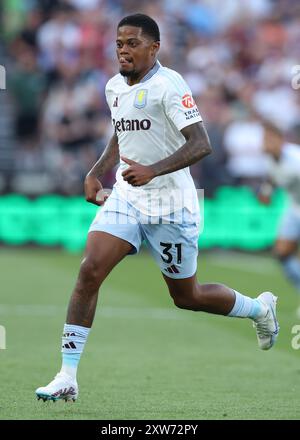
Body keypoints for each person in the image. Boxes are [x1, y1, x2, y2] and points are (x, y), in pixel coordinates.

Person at [36, 14, 279, 402]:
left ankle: (258, 309)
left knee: (188, 297)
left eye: (132, 43)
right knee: (89, 271)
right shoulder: (113, 86)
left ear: (154, 47)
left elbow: (201, 143)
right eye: (119, 43)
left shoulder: (170, 85)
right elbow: (121, 131)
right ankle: (67, 376)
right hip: (127, 197)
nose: (123, 50)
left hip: (172, 203)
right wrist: (97, 171)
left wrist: (154, 170)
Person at [258, 121, 300, 316]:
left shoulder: (296, 159)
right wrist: (267, 192)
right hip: (294, 208)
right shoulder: (270, 159)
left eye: (269, 138)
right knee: (281, 253)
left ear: (281, 140)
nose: (265, 143)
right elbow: (272, 178)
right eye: (264, 138)